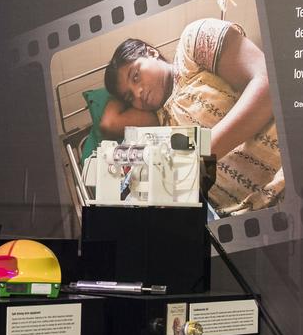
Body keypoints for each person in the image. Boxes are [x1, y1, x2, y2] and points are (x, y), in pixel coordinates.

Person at [100, 18, 284, 214]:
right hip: (254, 216)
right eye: (129, 97)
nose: (137, 93)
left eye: (135, 76)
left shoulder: (192, 45)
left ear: (151, 52)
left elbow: (268, 83)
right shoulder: (159, 122)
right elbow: (109, 122)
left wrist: (198, 155)